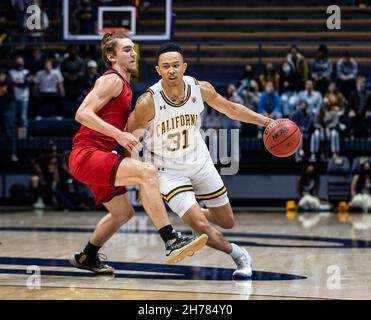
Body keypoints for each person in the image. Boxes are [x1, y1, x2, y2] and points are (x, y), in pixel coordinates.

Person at [127, 42, 275, 278]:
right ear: (158, 70)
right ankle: (239, 255)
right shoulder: (148, 102)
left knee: (226, 221)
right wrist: (135, 174)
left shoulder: (200, 89)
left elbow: (231, 109)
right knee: (200, 228)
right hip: (168, 171)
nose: (172, 71)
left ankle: (189, 210)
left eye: (176, 65)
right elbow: (129, 137)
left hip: (200, 161)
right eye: (166, 67)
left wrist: (267, 122)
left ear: (184, 67)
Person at [68, 33, 207, 274]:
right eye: (126, 50)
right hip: (88, 154)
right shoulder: (111, 81)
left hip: (101, 155)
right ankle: (171, 241)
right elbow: (82, 113)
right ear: (110, 57)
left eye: (133, 49)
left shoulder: (125, 86)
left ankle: (87, 256)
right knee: (147, 173)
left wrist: (144, 180)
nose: (133, 53)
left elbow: (128, 139)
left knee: (123, 212)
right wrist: (119, 136)